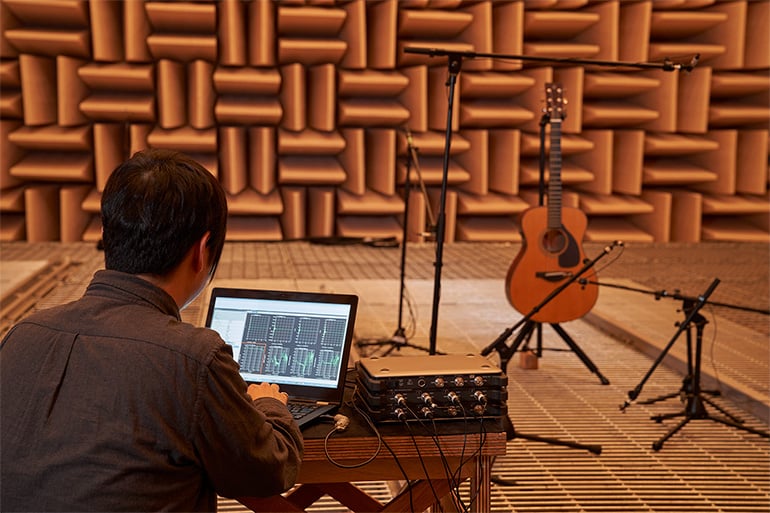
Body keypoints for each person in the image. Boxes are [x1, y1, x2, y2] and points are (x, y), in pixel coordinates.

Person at [0, 149, 304, 511]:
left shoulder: (23, 334)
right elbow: (265, 472)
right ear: (202, 250)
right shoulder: (194, 357)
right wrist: (270, 404)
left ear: (106, 235)